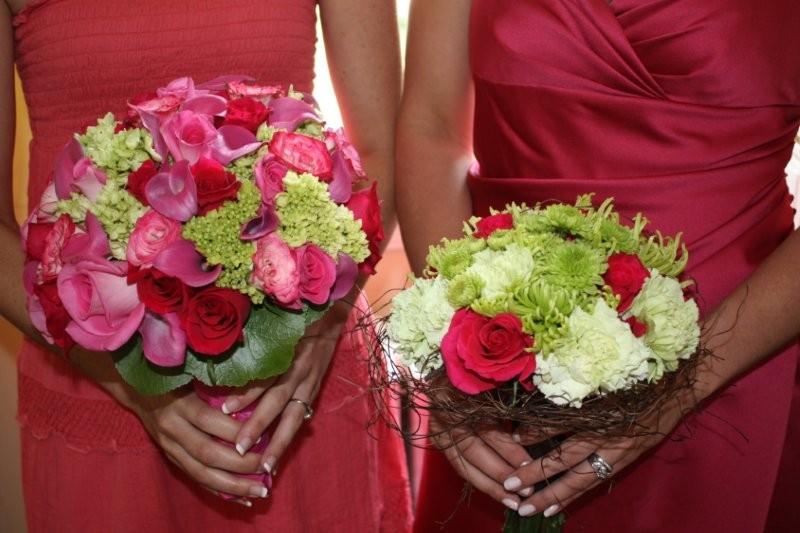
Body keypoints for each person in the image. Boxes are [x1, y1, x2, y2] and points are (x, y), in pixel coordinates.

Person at [0, 1, 412, 531]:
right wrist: (131, 385)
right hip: (96, 378)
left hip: (296, 379)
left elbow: (380, 148)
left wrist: (322, 331)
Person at [397, 1, 800, 531]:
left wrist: (688, 385)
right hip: (503, 375)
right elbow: (431, 126)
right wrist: (454, 349)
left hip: (741, 360)